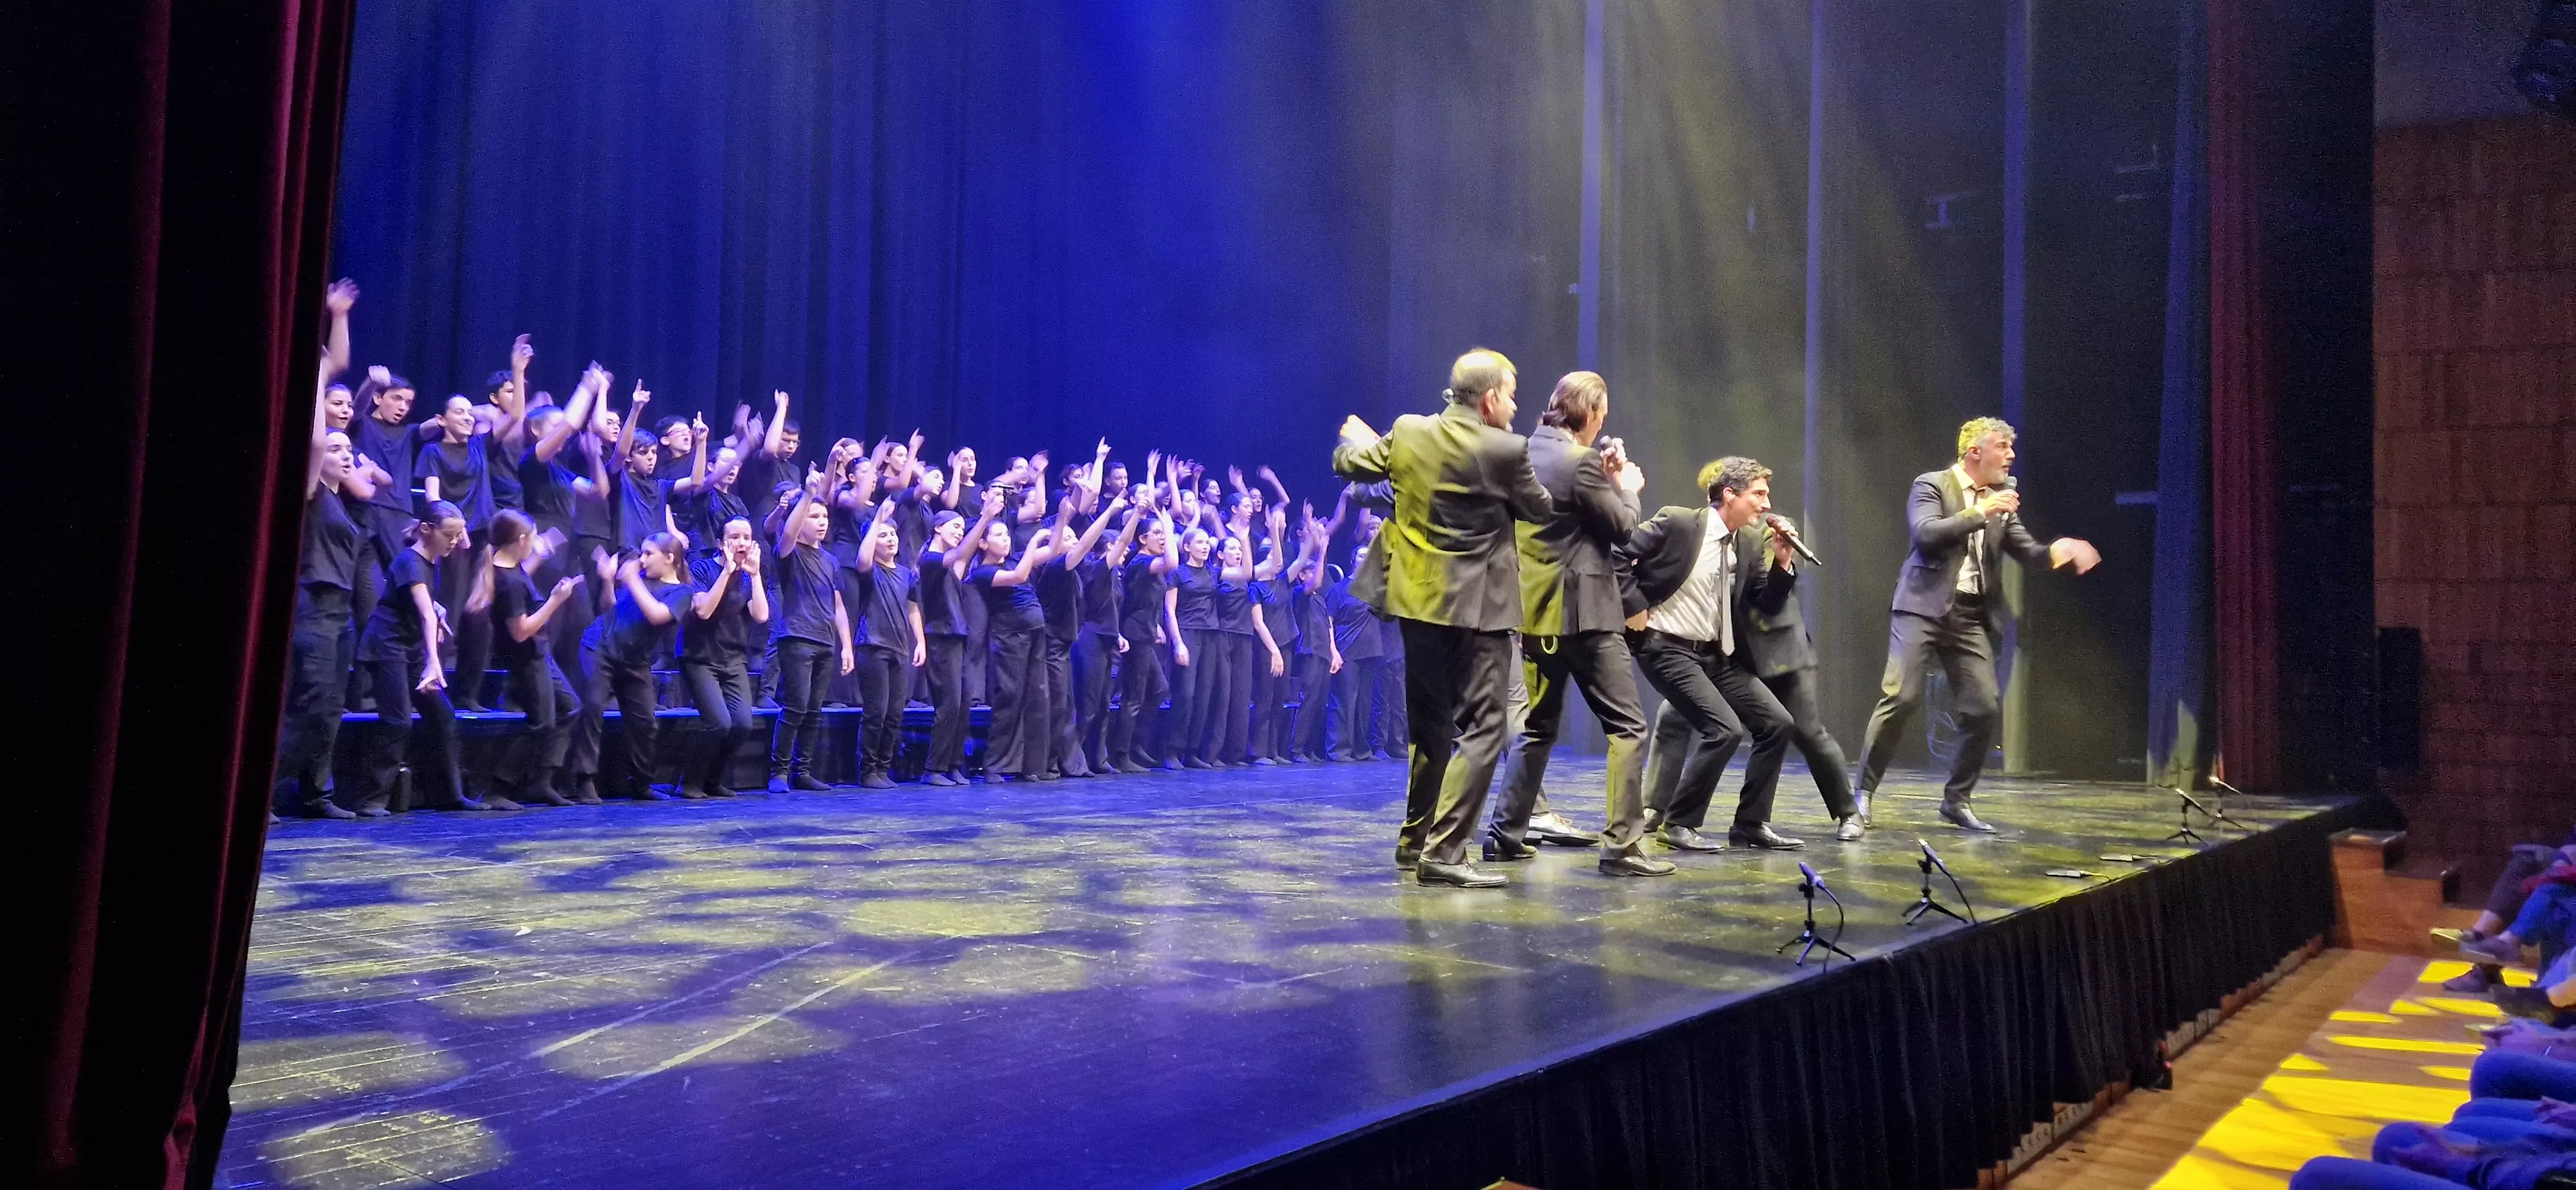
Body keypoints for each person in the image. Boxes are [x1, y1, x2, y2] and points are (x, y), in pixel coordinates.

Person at [1331, 348, 1552, 889]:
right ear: (1492, 397)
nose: (1516, 406)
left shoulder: (1408, 431)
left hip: (1418, 603)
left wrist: (1362, 444)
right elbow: (1540, 509)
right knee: (1486, 725)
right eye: (1513, 395)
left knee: (1430, 728)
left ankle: (1414, 842)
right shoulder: (1506, 449)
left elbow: (1349, 465)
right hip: (1480, 609)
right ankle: (1447, 850)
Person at [1852, 417, 2101, 832]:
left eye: (2010, 448)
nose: (2011, 455)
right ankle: (1861, 797)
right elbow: (1926, 534)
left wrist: (2058, 550)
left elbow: (2026, 549)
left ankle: (1957, 800)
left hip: (1968, 616)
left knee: (1983, 706)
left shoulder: (2002, 497)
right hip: (1921, 606)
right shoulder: (1931, 484)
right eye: (2003, 447)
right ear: (1975, 453)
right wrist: (1979, 510)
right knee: (1902, 697)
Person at [1484, 372, 1672, 878]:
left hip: (1534, 614)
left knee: (1537, 728)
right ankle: (1623, 847)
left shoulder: (1521, 452)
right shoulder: (1581, 461)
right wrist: (1625, 486)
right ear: (1589, 414)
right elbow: (1625, 530)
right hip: (1585, 615)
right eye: (1601, 418)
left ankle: (1504, 835)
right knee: (1629, 728)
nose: (1600, 428)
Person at [1621, 457, 1804, 853]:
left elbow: (1764, 605)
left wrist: (1783, 563)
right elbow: (1619, 554)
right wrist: (1633, 605)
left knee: (1777, 723)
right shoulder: (1680, 522)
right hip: (1665, 646)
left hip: (1715, 655)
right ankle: (1678, 823)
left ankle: (1750, 823)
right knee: (1723, 730)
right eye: (1759, 494)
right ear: (1729, 494)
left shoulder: (1751, 541)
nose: (1766, 505)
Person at [276, 288, 374, 820]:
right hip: (311, 605)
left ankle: (318, 793)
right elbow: (315, 444)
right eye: (339, 448)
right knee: (309, 703)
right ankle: (266, 793)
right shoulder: (313, 493)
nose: (344, 452)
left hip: (341, 614)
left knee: (333, 708)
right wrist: (319, 378)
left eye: (349, 451)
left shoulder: (347, 503)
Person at [350, 501, 486, 815]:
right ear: (426, 530)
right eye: (450, 535)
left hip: (408, 649)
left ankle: (450, 794)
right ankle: (372, 798)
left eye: (459, 535)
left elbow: (423, 604)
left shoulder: (428, 561)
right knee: (397, 720)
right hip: (388, 647)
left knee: (444, 717)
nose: (455, 541)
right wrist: (434, 661)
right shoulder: (410, 561)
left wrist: (439, 611)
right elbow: (424, 613)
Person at [472, 509, 583, 809]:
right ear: (520, 540)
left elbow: (521, 579)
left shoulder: (510, 568)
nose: (534, 545)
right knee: (541, 723)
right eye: (532, 540)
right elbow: (521, 631)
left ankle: (540, 782)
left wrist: (541, 557)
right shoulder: (508, 581)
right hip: (526, 657)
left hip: (539, 653)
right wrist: (556, 601)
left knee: (570, 708)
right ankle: (498, 788)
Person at [576, 533, 692, 800]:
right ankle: (584, 780)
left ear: (669, 558)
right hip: (600, 647)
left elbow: (657, 615)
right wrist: (607, 581)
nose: (642, 560)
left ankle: (641, 784)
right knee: (593, 707)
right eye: (642, 553)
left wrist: (631, 579)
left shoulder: (682, 592)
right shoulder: (641, 581)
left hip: (635, 661)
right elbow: (611, 608)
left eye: (649, 554)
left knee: (645, 722)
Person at [768, 449, 856, 793]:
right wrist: (808, 494)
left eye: (825, 517)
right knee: (796, 706)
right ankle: (779, 772)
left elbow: (838, 605)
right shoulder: (788, 550)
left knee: (814, 710)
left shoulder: (831, 561)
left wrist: (846, 645)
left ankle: (802, 771)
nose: (822, 522)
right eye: (815, 516)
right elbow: (787, 534)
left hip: (824, 641)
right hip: (797, 637)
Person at [968, 496, 1066, 781]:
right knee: (1010, 699)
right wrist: (1034, 543)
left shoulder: (1013, 558)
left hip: (1035, 635)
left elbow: (1055, 549)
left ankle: (1031, 766)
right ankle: (995, 765)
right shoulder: (983, 572)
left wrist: (1060, 519)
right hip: (1010, 639)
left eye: (1007, 534)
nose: (1006, 539)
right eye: (999, 535)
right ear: (984, 544)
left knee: (1038, 698)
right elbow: (1019, 575)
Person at [417, 391, 500, 710]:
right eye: (459, 412)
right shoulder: (433, 450)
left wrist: (519, 371)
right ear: (441, 420)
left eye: (470, 413)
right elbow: (433, 498)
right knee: (449, 608)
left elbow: (511, 419)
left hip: (482, 539)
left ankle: (468, 694)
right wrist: (457, 527)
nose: (468, 417)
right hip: (452, 539)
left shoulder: (480, 446)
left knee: (479, 617)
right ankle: (433, 688)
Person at [677, 517, 768, 798]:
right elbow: (702, 610)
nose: (741, 543)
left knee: (742, 724)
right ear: (721, 543)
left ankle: (713, 780)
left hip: (732, 658)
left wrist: (755, 576)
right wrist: (727, 572)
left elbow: (761, 616)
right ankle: (689, 782)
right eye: (735, 537)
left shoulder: (749, 575)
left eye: (746, 537)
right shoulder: (702, 568)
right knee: (719, 723)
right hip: (700, 656)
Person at [844, 513, 925, 788]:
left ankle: (883, 767)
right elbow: (862, 560)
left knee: (895, 714)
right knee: (875, 712)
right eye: (883, 535)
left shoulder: (905, 574)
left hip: (900, 648)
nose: (890, 539)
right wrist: (877, 519)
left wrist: (921, 642)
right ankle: (867, 771)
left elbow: (913, 609)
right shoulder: (870, 571)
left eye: (892, 534)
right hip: (873, 645)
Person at [1110, 500, 1181, 773]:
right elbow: (1173, 563)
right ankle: (1122, 753)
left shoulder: (1150, 564)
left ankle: (1137, 743)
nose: (1163, 539)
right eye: (1158, 534)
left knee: (1159, 689)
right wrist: (1169, 524)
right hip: (1135, 634)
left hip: (1147, 632)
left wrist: (1158, 626)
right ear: (1143, 539)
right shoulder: (1141, 562)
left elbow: (1149, 599)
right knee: (1134, 695)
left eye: (1164, 535)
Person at [1168, 527, 1223, 768]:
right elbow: (1169, 610)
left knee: (1204, 694)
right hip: (1188, 633)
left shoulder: (1213, 572)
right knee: (1186, 694)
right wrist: (1178, 643)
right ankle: (1172, 750)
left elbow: (1245, 572)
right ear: (1187, 547)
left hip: (1211, 635)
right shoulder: (1178, 573)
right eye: (1199, 542)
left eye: (1206, 542)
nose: (1205, 546)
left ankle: (1192, 751)